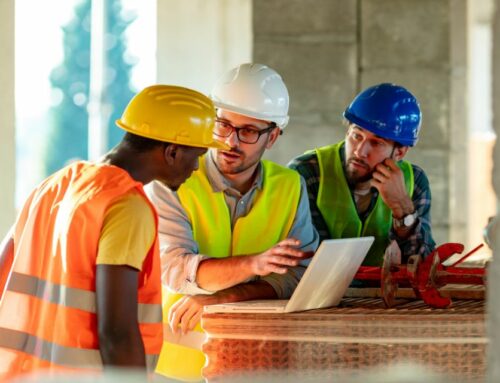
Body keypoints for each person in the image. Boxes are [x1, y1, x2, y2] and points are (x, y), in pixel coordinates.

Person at [0, 85, 227, 381]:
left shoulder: (54, 185)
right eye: (196, 155)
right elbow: (117, 334)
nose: (196, 168)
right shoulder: (126, 206)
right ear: (172, 151)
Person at [146, 63, 319, 381]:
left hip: (256, 363)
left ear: (274, 136)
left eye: (249, 131)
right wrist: (254, 266)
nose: (230, 141)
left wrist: (226, 297)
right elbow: (175, 271)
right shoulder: (171, 181)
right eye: (222, 124)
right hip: (174, 366)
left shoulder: (290, 186)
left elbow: (298, 278)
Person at [289, 83, 436, 267]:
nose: (359, 152)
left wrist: (404, 210)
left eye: (376, 143)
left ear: (399, 153)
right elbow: (309, 261)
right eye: (356, 136)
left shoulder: (414, 182)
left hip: (382, 295)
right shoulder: (306, 173)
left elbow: (423, 268)